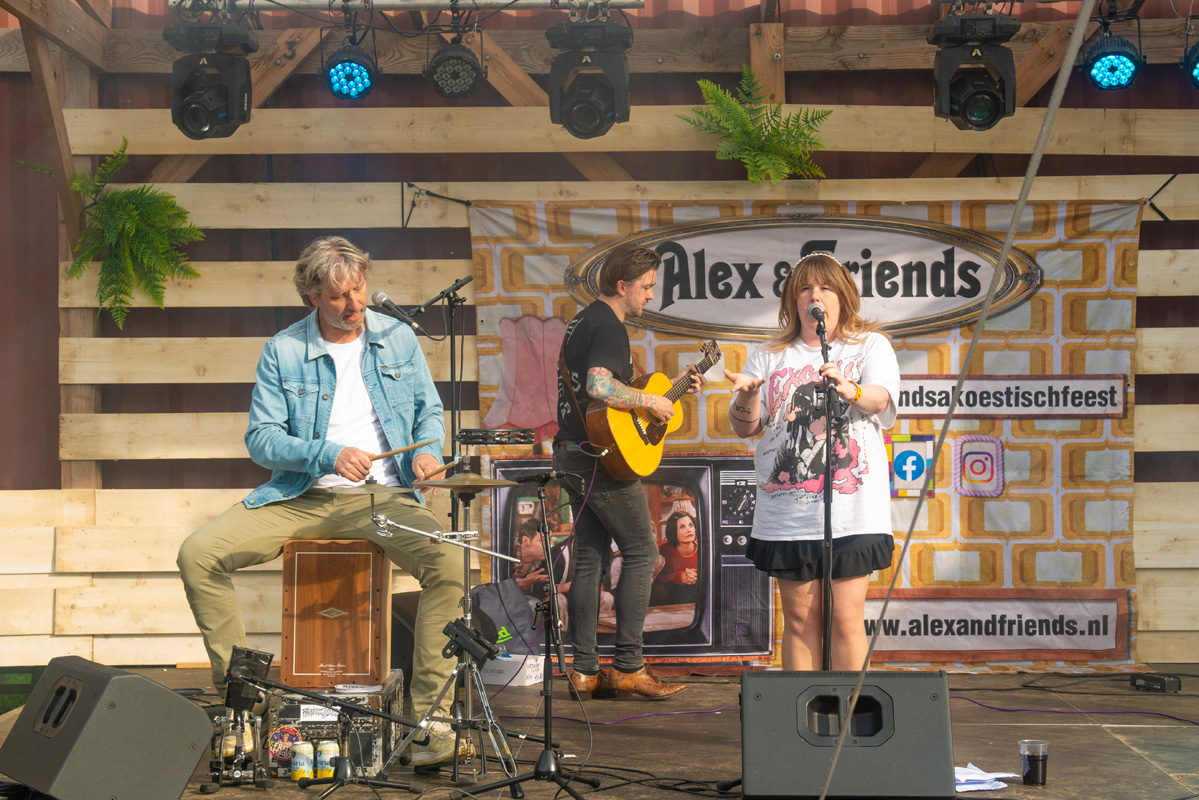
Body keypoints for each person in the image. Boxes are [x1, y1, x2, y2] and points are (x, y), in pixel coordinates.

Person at [177, 236, 470, 767]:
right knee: (197, 554)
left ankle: (432, 722)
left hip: (383, 497)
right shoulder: (283, 350)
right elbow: (261, 439)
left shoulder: (397, 337)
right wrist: (327, 454)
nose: (354, 304)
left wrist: (427, 453)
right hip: (301, 496)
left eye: (358, 289)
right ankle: (242, 708)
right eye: (338, 296)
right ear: (312, 296)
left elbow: (429, 412)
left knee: (451, 564)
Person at [723, 252, 899, 672]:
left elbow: (880, 400)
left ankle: (849, 714)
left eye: (825, 287)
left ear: (843, 297)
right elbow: (745, 427)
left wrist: (851, 389)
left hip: (853, 512)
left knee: (845, 619)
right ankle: (804, 713)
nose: (814, 295)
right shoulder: (769, 354)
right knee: (801, 621)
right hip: (789, 513)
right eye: (804, 288)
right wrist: (748, 394)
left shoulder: (870, 345)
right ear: (793, 300)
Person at [553, 244, 703, 700]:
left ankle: (584, 670)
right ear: (623, 286)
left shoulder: (583, 320)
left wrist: (668, 393)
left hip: (573, 452)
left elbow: (607, 398)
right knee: (642, 550)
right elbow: (600, 385)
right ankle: (628, 667)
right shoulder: (609, 325)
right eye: (647, 287)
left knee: (591, 558)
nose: (651, 295)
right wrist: (650, 399)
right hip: (599, 458)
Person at [650, 510, 699, 606]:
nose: (689, 530)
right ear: (673, 531)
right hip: (671, 594)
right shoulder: (663, 549)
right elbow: (654, 578)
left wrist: (696, 575)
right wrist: (677, 576)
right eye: (682, 527)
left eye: (691, 525)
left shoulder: (704, 548)